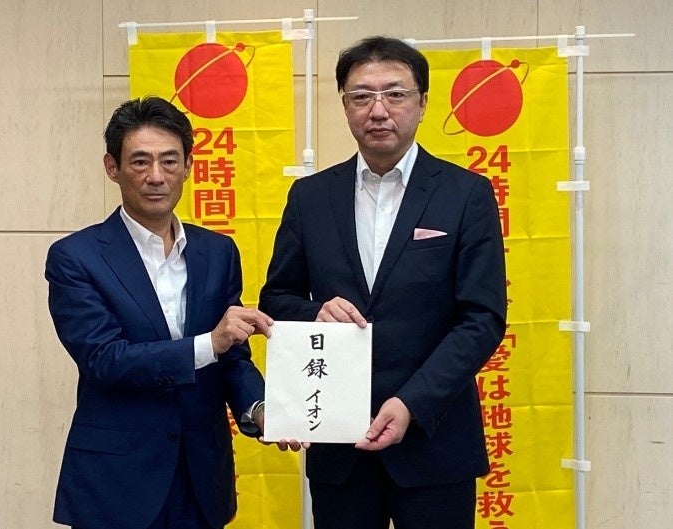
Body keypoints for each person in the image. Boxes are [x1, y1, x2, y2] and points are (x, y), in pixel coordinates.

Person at [258, 36, 507, 529]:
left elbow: (482, 319)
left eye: (395, 94)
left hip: (434, 441)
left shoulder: (466, 194)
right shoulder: (310, 197)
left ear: (422, 103)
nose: (378, 110)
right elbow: (276, 299)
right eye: (361, 96)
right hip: (338, 445)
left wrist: (412, 403)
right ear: (345, 105)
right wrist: (315, 312)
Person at [46, 96, 299, 529]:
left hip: (201, 478)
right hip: (117, 482)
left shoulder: (217, 252)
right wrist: (210, 343)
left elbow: (231, 357)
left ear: (188, 166)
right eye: (140, 162)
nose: (156, 176)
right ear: (112, 167)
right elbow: (105, 359)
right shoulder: (76, 257)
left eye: (169, 161)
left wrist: (260, 407)